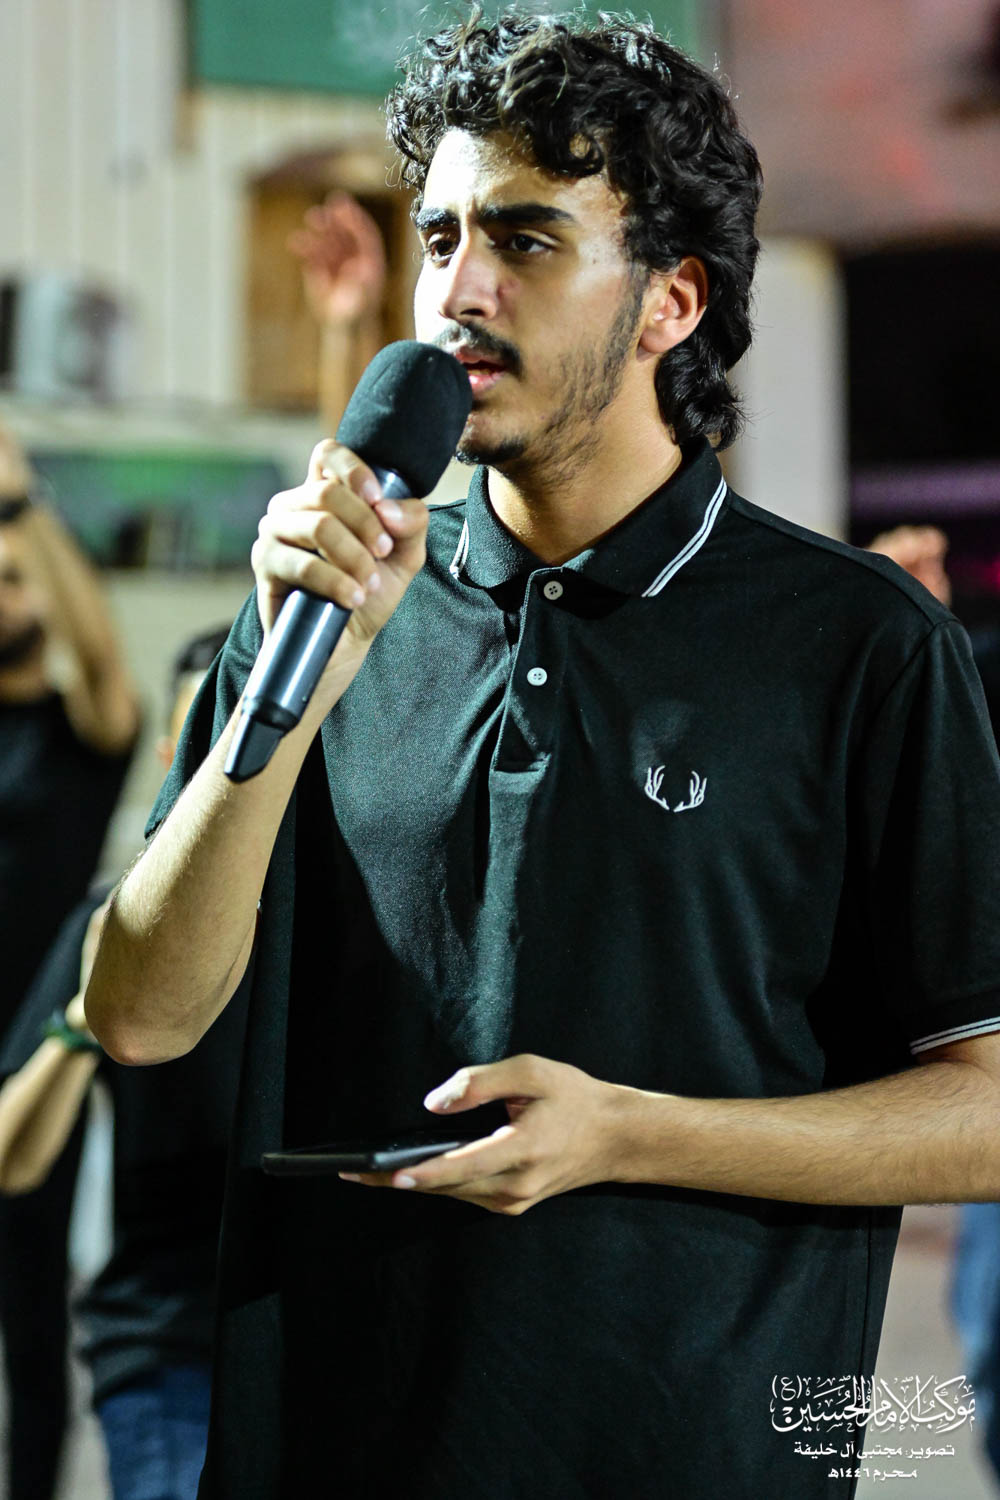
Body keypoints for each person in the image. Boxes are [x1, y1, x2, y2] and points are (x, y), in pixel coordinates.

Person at [85, 12, 1000, 1499]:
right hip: (336, 1448)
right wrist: (295, 691)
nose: (458, 289)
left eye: (524, 240)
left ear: (669, 302)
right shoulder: (331, 605)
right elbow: (136, 1017)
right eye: (441, 238)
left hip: (699, 1453)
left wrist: (630, 1135)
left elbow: (989, 1109)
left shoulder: (856, 645)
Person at [0, 625, 244, 1500]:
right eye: (211, 744)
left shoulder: (366, 914)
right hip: (169, 1338)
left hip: (335, 1338)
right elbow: (11, 1157)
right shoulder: (115, 920)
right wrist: (82, 1016)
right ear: (174, 755)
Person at [0, 423, 139, 1500]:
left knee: (31, 1315)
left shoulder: (78, 731)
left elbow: (100, 658)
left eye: (13, 578)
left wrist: (19, 501)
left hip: (31, 1045)